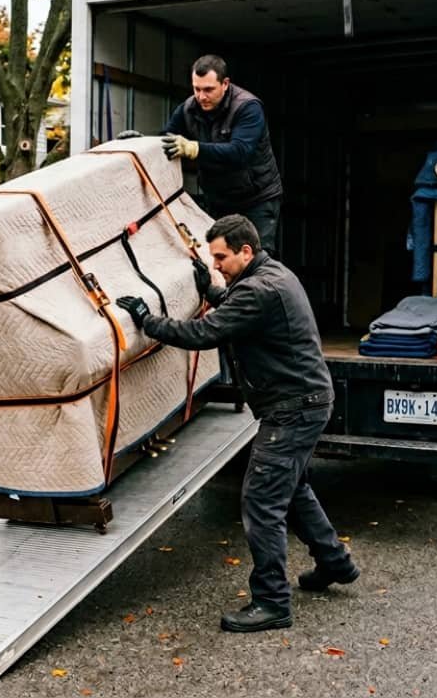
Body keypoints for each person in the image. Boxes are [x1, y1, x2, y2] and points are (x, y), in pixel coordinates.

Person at [115, 214, 358, 633]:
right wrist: (210, 289)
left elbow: (203, 333)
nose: (216, 265)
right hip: (306, 402)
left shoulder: (259, 290)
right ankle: (334, 562)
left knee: (262, 501)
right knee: (292, 487)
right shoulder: (270, 274)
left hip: (292, 409)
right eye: (213, 259)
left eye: (221, 258)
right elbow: (237, 308)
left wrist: (146, 321)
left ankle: (272, 602)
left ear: (246, 251)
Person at [146, 55, 284, 252]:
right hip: (218, 199)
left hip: (256, 199)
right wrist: (138, 141)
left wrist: (195, 149)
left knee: (255, 257)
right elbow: (166, 140)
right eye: (197, 89)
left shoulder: (248, 107)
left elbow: (240, 152)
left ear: (225, 84)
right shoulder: (189, 109)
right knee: (215, 256)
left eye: (208, 89)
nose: (201, 96)